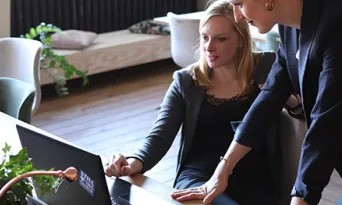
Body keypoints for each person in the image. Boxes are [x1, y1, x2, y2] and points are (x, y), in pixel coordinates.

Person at [172, 0, 342, 204]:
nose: (237, 16)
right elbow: (270, 95)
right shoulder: (290, 26)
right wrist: (222, 170)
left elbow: (327, 124)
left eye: (239, 4)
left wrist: (300, 196)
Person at [105, 1, 302, 204]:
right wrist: (132, 162)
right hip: (198, 179)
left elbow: (304, 115)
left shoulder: (268, 66)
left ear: (241, 40)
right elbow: (159, 136)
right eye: (204, 37)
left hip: (256, 180)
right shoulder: (186, 81)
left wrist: (288, 99)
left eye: (221, 39)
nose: (209, 47)